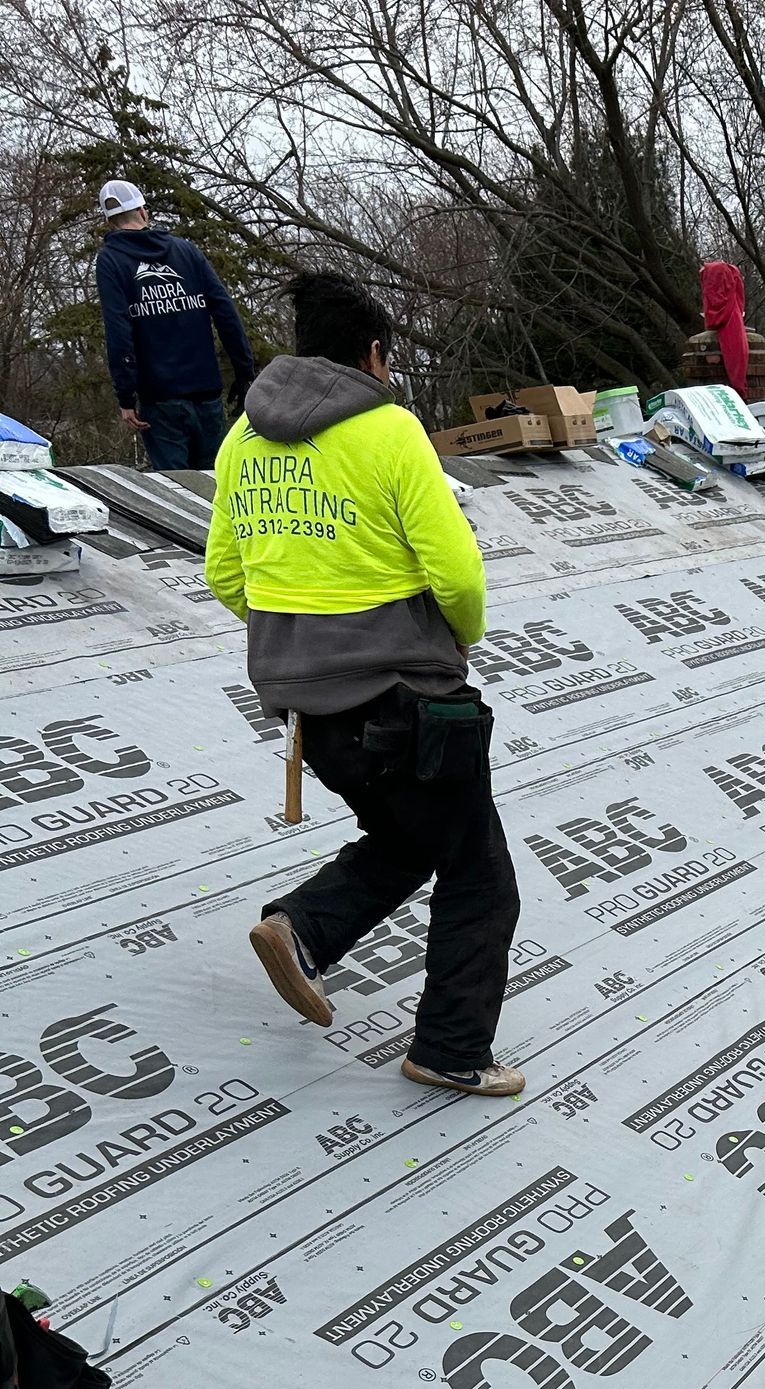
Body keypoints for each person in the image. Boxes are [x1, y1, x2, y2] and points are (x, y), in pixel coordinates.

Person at [205, 268, 524, 1098]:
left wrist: (293, 637)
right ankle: (450, 1049)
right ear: (373, 353)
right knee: (480, 874)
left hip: (304, 713)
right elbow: (456, 572)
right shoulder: (388, 431)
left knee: (414, 836)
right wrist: (457, 637)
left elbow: (223, 572)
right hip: (406, 699)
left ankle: (302, 930)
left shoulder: (241, 441)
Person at [94, 180, 255, 470]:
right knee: (213, 487)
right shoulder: (186, 251)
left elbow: (118, 330)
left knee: (175, 492)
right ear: (143, 211)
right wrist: (245, 373)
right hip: (206, 393)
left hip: (160, 402)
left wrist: (126, 396)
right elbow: (225, 311)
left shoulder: (111, 260)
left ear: (110, 221)